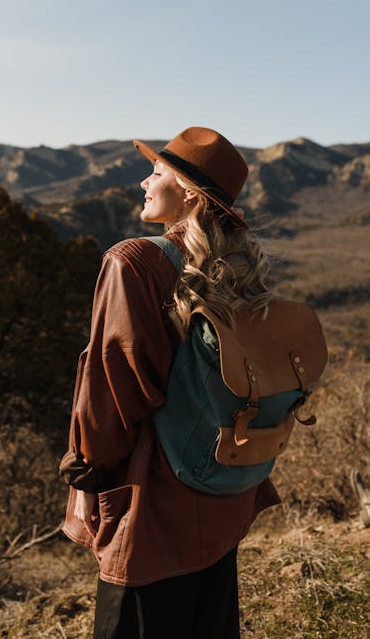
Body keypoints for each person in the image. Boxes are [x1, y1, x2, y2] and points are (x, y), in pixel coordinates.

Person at [59, 126, 282, 639]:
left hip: (152, 506)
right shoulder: (237, 270)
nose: (142, 181)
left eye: (156, 171)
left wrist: (90, 474)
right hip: (223, 489)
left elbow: (113, 390)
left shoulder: (133, 261)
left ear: (186, 191)